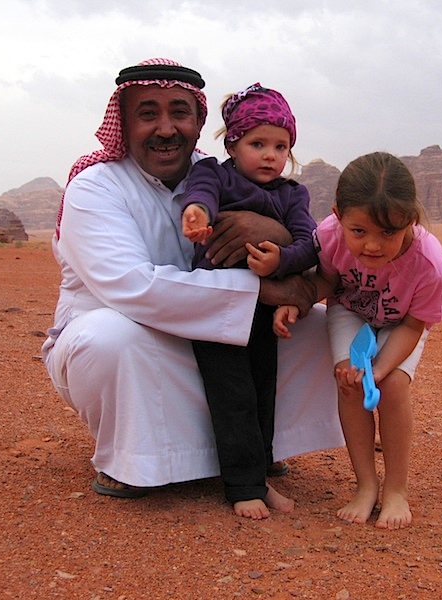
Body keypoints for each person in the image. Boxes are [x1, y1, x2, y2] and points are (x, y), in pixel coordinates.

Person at [41, 58, 344, 503]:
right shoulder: (96, 186)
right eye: (148, 114)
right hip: (131, 338)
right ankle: (132, 459)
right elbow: (132, 288)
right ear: (125, 123)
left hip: (215, 332)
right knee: (111, 339)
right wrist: (263, 290)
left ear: (199, 122)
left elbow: (301, 234)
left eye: (179, 113)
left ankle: (259, 448)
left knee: (318, 327)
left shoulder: (228, 173)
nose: (166, 129)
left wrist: (273, 234)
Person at [274, 152, 442, 530]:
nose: (372, 246)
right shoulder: (329, 236)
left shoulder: (429, 263)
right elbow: (327, 282)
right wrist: (298, 302)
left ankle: (396, 489)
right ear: (338, 216)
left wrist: (381, 368)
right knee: (350, 382)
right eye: (359, 232)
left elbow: (414, 325)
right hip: (351, 311)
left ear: (410, 221)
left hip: (401, 323)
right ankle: (366, 485)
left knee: (393, 385)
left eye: (388, 233)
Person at [179, 83, 318, 518]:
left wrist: (280, 260)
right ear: (233, 144)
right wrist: (197, 214)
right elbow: (200, 195)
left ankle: (261, 474)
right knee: (232, 393)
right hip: (216, 307)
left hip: (263, 310)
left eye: (280, 146)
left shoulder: (292, 194)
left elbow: (309, 244)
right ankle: (243, 486)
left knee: (262, 390)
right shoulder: (215, 174)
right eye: (258, 144)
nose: (270, 155)